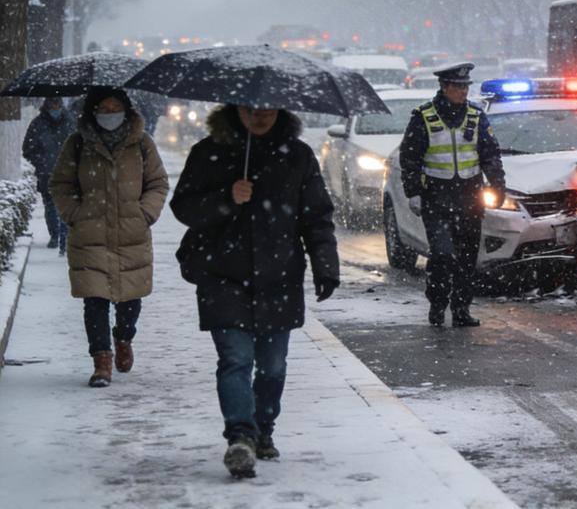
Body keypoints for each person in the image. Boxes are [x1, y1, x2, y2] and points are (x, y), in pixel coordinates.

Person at [170, 104, 340, 479]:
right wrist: (228, 197)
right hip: (223, 275)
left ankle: (264, 429)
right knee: (235, 359)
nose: (260, 117)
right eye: (251, 109)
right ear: (235, 109)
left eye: (268, 110)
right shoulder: (208, 151)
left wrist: (325, 265)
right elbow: (183, 207)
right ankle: (240, 437)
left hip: (278, 277)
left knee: (273, 367)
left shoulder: (297, 155)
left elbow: (316, 216)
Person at [49, 87, 168, 388]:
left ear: (126, 111)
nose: (110, 113)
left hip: (131, 234)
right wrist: (75, 213)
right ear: (93, 112)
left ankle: (124, 337)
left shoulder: (142, 143)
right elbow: (60, 184)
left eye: (115, 107)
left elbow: (157, 183)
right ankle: (101, 360)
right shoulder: (78, 144)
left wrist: (145, 213)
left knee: (131, 299)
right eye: (104, 108)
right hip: (91, 234)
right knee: (95, 300)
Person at [398, 62, 505, 328]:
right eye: (459, 87)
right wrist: (413, 192)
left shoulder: (476, 116)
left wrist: (497, 185)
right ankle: (437, 303)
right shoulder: (424, 116)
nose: (464, 91)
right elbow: (409, 157)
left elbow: (490, 154)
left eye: (466, 86)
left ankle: (461, 309)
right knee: (443, 255)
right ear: (445, 87)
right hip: (437, 198)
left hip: (470, 198)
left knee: (467, 258)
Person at [23, 97, 74, 253]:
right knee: (51, 206)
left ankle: (65, 239)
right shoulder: (38, 124)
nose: (56, 108)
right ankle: (55, 235)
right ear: (47, 106)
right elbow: (27, 149)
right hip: (46, 173)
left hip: (67, 173)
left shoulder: (69, 123)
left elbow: (78, 145)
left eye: (58, 105)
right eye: (52, 105)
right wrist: (42, 161)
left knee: (65, 206)